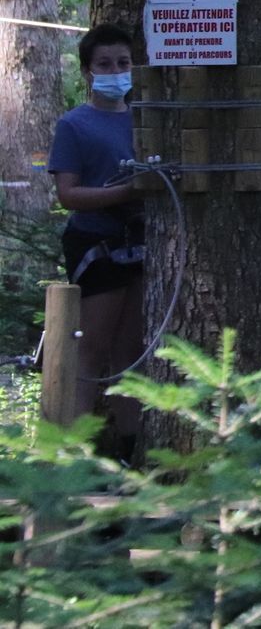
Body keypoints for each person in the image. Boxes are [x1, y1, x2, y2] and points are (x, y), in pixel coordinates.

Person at [48, 23, 144, 458]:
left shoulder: (146, 119)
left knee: (131, 352)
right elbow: (69, 194)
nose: (115, 72)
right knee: (92, 352)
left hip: (139, 245)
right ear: (88, 71)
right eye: (105, 64)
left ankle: (129, 448)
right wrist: (123, 192)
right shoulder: (75, 125)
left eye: (123, 63)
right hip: (96, 247)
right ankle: (72, 455)